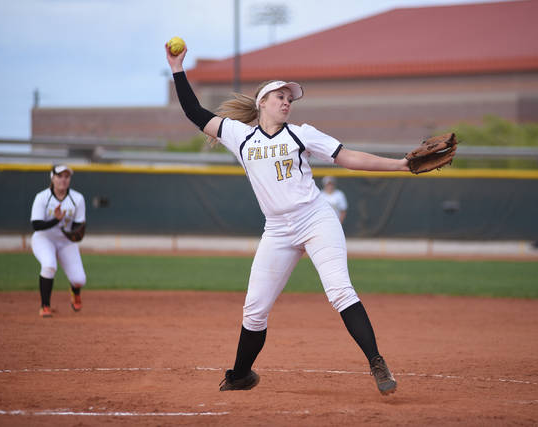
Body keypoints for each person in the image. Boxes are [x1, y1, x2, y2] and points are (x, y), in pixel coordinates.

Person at [166, 44, 409, 395]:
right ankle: (241, 375)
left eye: (289, 98)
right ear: (262, 102)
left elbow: (348, 157)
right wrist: (177, 68)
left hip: (315, 218)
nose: (286, 102)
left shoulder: (302, 133)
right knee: (254, 311)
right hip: (277, 230)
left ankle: (377, 363)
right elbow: (193, 111)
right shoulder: (240, 136)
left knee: (340, 291)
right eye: (279, 96)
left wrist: (400, 164)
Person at [30, 165, 87, 318]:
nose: (63, 180)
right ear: (52, 178)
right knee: (49, 265)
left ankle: (75, 293)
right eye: (59, 176)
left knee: (79, 279)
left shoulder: (77, 198)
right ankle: (45, 306)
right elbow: (36, 225)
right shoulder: (42, 197)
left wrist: (77, 232)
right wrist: (56, 220)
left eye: (66, 177)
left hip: (65, 241)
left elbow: (78, 225)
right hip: (44, 238)